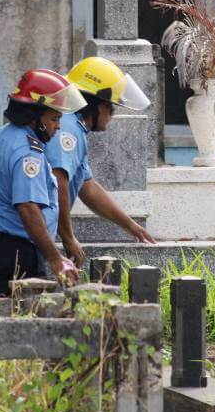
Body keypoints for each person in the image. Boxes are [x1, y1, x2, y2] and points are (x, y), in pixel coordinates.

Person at [0, 69, 87, 296]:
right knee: (24, 313)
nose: (58, 127)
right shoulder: (27, 152)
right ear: (35, 117)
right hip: (15, 253)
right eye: (54, 119)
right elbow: (28, 208)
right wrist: (55, 259)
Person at [46, 56, 157, 268]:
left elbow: (87, 187)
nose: (112, 114)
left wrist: (131, 226)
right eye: (111, 107)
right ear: (96, 104)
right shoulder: (68, 129)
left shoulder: (74, 126)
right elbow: (58, 180)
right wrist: (68, 238)